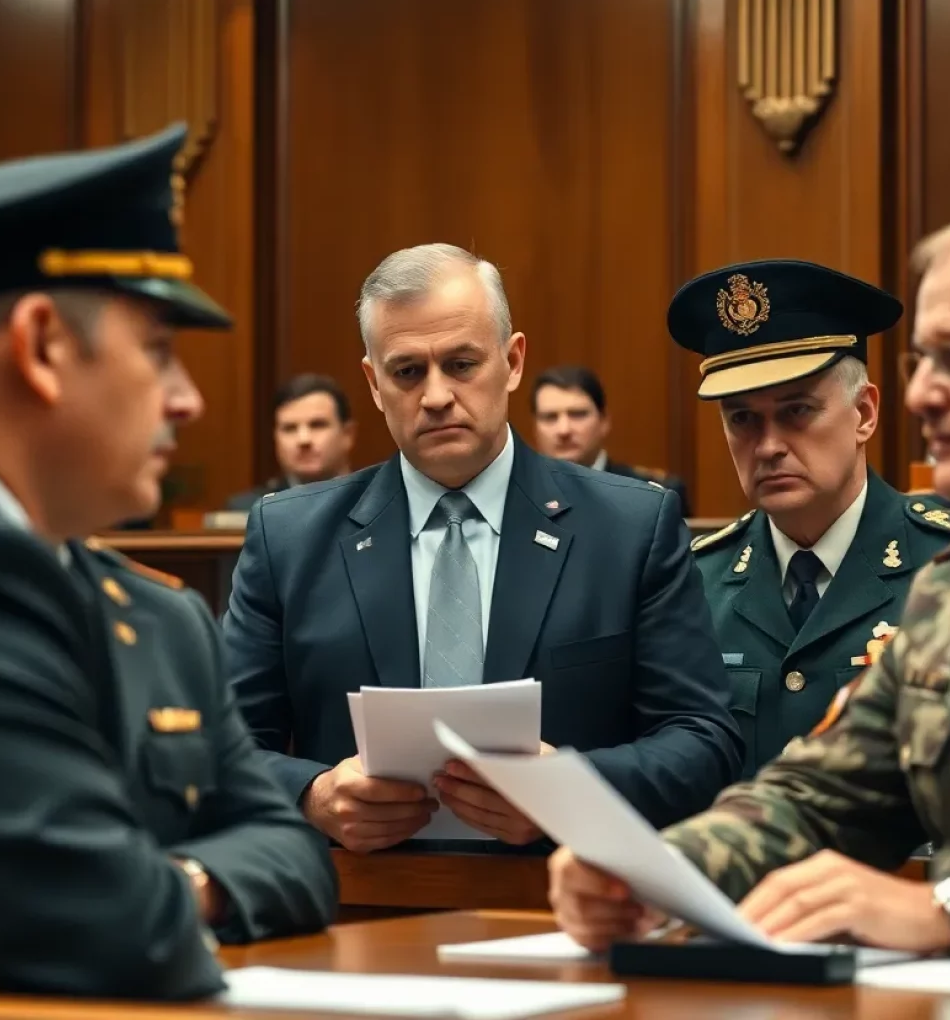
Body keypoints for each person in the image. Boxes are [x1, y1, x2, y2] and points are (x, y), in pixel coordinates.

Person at [0, 124, 337, 998]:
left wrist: (173, 883)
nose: (188, 399)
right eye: (157, 350)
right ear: (42, 344)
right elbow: (112, 927)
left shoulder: (147, 608)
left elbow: (295, 850)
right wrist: (181, 887)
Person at [223, 242, 741, 855]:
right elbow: (221, 748)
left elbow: (705, 741)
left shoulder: (630, 528)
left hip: (560, 904)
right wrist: (310, 793)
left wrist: (568, 791)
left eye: (462, 364)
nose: (436, 395)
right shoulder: (290, 539)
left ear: (512, 360)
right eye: (408, 371)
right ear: (373, 382)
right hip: (359, 908)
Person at [548, 220, 950, 956]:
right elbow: (812, 800)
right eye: (925, 362)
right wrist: (656, 872)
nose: (924, 394)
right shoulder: (949, 598)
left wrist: (949, 911)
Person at [664, 260, 950, 777]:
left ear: (865, 414)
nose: (770, 446)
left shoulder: (947, 564)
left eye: (797, 411)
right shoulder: (694, 582)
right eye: (742, 419)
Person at [531, 365, 690, 516]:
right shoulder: (518, 492)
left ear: (604, 421)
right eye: (550, 417)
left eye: (577, 414)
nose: (564, 430)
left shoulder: (655, 496)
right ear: (535, 427)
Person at [226, 373, 356, 511]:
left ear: (348, 434)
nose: (303, 439)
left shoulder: (375, 504)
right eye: (289, 428)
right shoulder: (248, 510)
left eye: (317, 425)